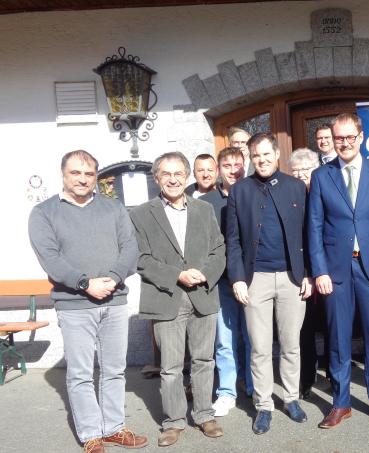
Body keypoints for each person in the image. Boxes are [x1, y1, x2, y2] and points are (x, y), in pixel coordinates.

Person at [28, 150, 147, 453]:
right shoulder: (44, 213)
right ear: (63, 174)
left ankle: (114, 427)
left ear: (96, 176)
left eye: (89, 173)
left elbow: (130, 248)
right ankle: (91, 434)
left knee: (114, 370)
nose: (82, 179)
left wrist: (115, 277)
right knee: (81, 373)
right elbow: (50, 259)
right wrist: (85, 284)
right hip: (74, 305)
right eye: (75, 173)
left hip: (115, 300)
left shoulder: (114, 209)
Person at [307, 113, 369, 429]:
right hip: (335, 269)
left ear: (360, 137)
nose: (344, 143)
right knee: (338, 338)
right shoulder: (322, 176)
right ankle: (341, 402)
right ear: (333, 140)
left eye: (350, 137)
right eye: (339, 138)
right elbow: (314, 226)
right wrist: (319, 270)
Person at [130, 152, 226, 447]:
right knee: (171, 367)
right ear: (157, 177)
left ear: (187, 177)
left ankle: (204, 414)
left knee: (203, 360)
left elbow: (219, 249)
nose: (173, 179)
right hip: (166, 296)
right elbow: (141, 258)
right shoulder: (141, 214)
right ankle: (173, 422)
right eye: (166, 174)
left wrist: (205, 274)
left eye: (179, 174)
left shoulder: (203, 210)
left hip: (202, 295)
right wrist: (177, 275)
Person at [225, 133, 312, 435]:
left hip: (292, 278)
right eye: (256, 156)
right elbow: (233, 240)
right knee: (260, 348)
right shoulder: (240, 191)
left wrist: (309, 275)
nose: (261, 160)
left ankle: (291, 398)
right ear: (251, 158)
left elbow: (308, 234)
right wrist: (237, 278)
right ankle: (263, 405)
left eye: (266, 154)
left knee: (290, 344)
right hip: (255, 280)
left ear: (276, 155)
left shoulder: (297, 187)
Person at [199, 147, 251, 417]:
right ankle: (227, 392)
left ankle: (254, 387)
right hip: (221, 282)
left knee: (254, 339)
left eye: (238, 164)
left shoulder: (256, 192)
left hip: (252, 280)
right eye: (227, 165)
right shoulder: (206, 202)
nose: (233, 169)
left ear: (246, 166)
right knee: (226, 341)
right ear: (219, 169)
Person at [288, 148, 329, 399]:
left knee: (331, 327)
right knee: (304, 330)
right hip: (301, 274)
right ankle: (306, 378)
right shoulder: (290, 197)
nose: (302, 174)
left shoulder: (325, 193)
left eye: (307, 169)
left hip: (326, 272)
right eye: (296, 171)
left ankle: (334, 375)